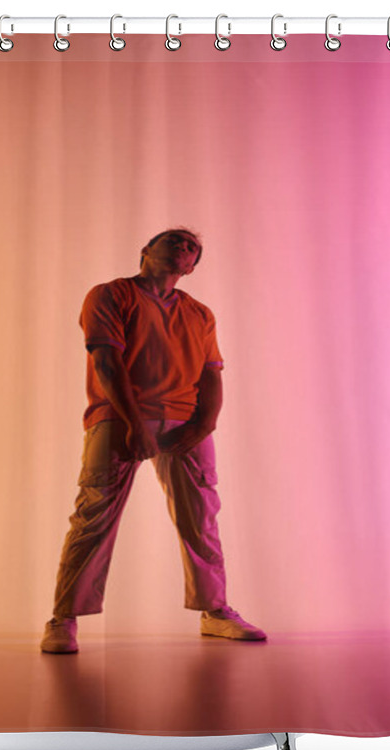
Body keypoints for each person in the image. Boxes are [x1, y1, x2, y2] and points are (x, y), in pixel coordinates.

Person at [40, 228, 266, 654]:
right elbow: (106, 360)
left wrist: (204, 426)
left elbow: (211, 374)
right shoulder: (110, 295)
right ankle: (63, 618)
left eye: (191, 248)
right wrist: (135, 424)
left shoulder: (199, 313)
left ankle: (215, 612)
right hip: (118, 419)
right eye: (174, 241)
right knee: (94, 517)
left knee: (201, 518)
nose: (183, 248)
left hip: (185, 423)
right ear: (146, 250)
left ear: (193, 266)